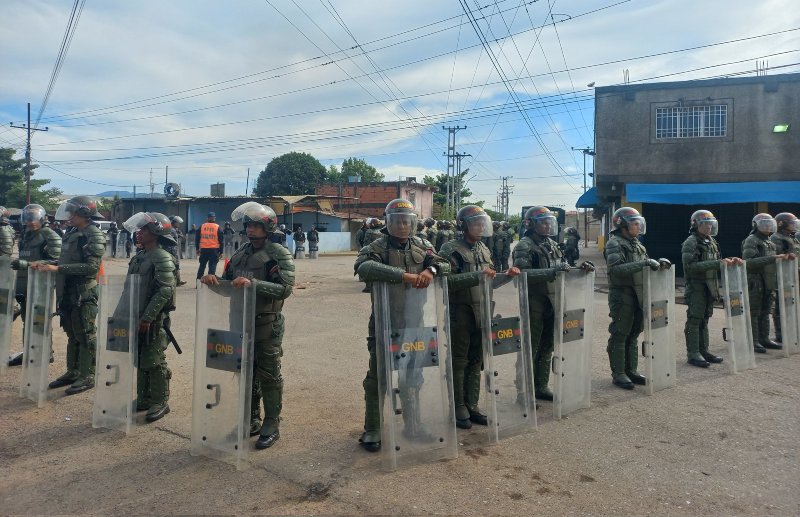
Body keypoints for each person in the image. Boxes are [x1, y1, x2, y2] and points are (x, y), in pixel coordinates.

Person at [354, 199, 450, 452]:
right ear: (389, 223)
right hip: (384, 321)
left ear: (413, 223)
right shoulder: (376, 245)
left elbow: (445, 263)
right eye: (397, 220)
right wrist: (403, 276)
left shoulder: (423, 244)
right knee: (378, 377)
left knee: (412, 377)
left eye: (406, 220)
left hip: (415, 322)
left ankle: (414, 426)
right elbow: (363, 267)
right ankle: (373, 428)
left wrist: (431, 270)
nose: (402, 225)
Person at [202, 202, 294, 449]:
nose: (250, 230)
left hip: (266, 323)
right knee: (244, 374)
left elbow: (285, 289)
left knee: (269, 375)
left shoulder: (279, 254)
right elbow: (231, 287)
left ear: (267, 226)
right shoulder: (240, 253)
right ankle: (250, 420)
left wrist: (254, 284)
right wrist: (214, 282)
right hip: (239, 322)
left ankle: (271, 423)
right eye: (248, 225)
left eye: (255, 225)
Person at [513, 206, 594, 400]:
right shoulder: (525, 245)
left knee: (547, 345)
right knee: (530, 347)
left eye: (549, 222)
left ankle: (541, 386)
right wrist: (551, 273)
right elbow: (522, 274)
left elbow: (561, 267)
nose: (548, 226)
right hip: (534, 301)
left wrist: (579, 269)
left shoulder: (552, 244)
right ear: (531, 224)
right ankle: (524, 391)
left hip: (554, 299)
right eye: (543, 222)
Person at [32, 196, 106, 394]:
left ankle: (88, 374)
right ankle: (73, 372)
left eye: (73, 213)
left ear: (84, 213)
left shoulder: (94, 235)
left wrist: (57, 268)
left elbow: (91, 267)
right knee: (72, 334)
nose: (69, 217)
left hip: (83, 292)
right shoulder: (73, 232)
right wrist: (48, 264)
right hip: (68, 291)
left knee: (86, 334)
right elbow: (66, 260)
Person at [439, 205, 500, 429]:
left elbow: (489, 279)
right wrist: (477, 275)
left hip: (482, 308)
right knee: (459, 360)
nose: (480, 226)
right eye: (475, 223)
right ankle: (458, 407)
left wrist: (507, 276)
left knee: (476, 360)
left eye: (482, 223)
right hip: (460, 310)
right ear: (463, 225)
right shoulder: (450, 249)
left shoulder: (483, 248)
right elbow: (446, 281)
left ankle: (472, 405)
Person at [603, 207, 670, 390]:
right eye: (634, 223)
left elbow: (644, 265)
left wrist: (658, 264)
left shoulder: (638, 244)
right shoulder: (614, 243)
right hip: (622, 294)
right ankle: (618, 373)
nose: (638, 226)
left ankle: (631, 370)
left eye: (639, 223)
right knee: (620, 333)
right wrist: (645, 263)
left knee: (633, 333)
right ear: (622, 224)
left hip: (639, 293)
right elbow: (616, 269)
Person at [122, 212, 177, 422]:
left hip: (153, 320)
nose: (139, 232)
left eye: (144, 229)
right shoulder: (139, 257)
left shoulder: (162, 257)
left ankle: (160, 401)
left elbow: (164, 291)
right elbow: (129, 289)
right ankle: (144, 398)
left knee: (154, 361)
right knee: (140, 357)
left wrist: (147, 318)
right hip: (135, 316)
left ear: (155, 232)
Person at [681, 210, 741, 367]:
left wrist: (729, 261)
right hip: (696, 286)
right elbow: (689, 267)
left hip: (709, 286)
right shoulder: (691, 242)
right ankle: (693, 353)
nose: (709, 226)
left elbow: (716, 261)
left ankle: (704, 350)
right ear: (696, 225)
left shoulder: (712, 241)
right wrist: (718, 263)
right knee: (695, 320)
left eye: (710, 223)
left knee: (705, 319)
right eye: (706, 224)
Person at [7, 205, 62, 367]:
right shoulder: (25, 235)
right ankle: (30, 351)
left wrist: (27, 264)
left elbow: (57, 261)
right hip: (24, 283)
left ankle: (46, 353)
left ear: (42, 218)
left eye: (34, 219)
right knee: (27, 319)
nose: (31, 222)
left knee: (40, 320)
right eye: (28, 219)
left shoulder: (50, 235)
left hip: (41, 284)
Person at [742, 213, 794, 353]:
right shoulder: (751, 240)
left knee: (765, 310)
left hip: (769, 280)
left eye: (768, 223)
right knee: (754, 311)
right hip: (755, 280)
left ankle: (764, 338)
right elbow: (749, 262)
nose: (767, 225)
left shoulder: (769, 241)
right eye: (763, 223)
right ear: (756, 225)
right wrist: (773, 258)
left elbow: (775, 259)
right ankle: (753, 341)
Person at [770, 212, 800, 344]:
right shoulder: (776, 238)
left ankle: (792, 331)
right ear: (782, 224)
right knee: (780, 306)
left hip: (793, 275)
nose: (794, 225)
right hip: (782, 276)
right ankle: (780, 334)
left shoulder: (792, 238)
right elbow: (779, 257)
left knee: (792, 304)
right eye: (791, 222)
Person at [196, 212, 223, 280]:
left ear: (207, 218)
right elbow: (221, 241)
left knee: (202, 266)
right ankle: (210, 283)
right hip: (214, 250)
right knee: (212, 267)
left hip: (204, 250)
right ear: (214, 218)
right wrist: (221, 251)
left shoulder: (202, 226)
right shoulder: (217, 227)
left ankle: (198, 283)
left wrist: (197, 249)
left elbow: (197, 239)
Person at [165, 216, 186, 286]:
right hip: (171, 250)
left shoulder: (173, 229)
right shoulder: (172, 230)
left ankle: (177, 280)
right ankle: (176, 281)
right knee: (175, 265)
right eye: (178, 223)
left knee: (176, 265)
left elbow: (180, 236)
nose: (179, 225)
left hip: (173, 250)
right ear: (174, 222)